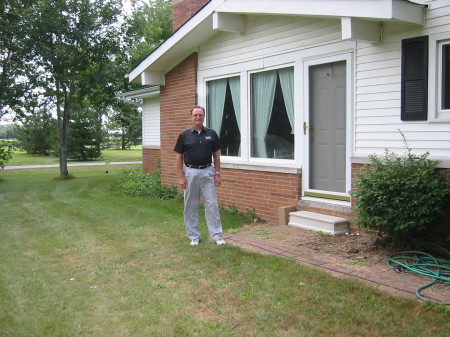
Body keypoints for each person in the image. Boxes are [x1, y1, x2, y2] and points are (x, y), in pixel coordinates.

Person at [174, 106, 226, 246]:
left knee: (212, 204)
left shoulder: (211, 134)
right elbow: (179, 158)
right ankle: (194, 236)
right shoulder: (184, 135)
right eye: (195, 115)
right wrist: (181, 177)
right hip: (190, 172)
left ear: (204, 117)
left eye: (200, 115)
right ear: (191, 117)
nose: (198, 117)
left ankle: (217, 236)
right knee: (191, 205)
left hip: (208, 171)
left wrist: (217, 173)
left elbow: (216, 155)